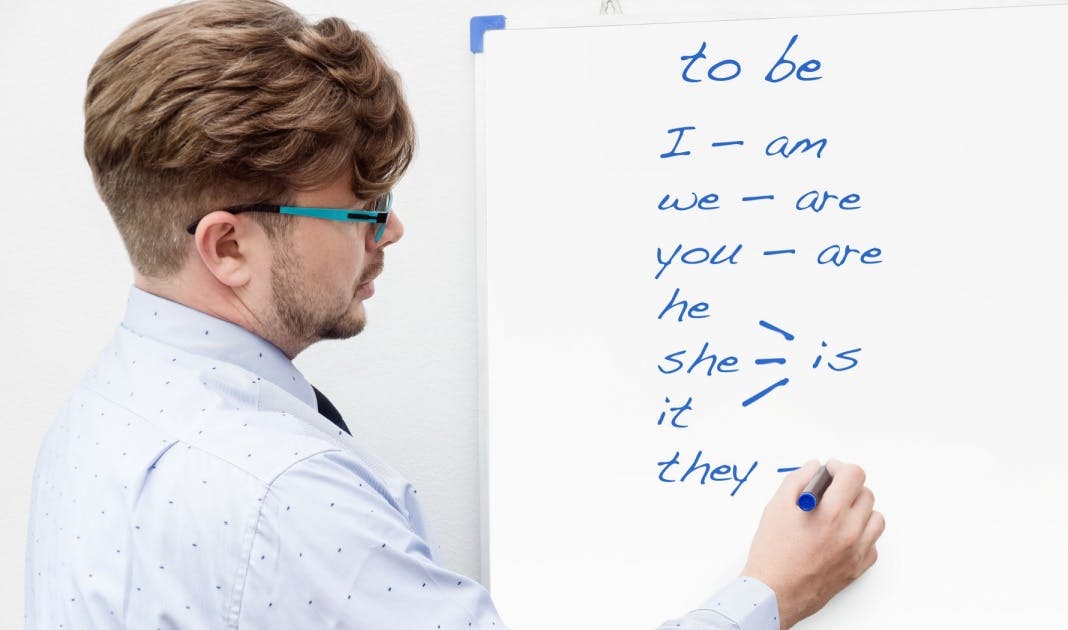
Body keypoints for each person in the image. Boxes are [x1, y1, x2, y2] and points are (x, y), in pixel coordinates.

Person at [23, 1, 884, 628]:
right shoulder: (283, 494)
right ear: (227, 247)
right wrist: (772, 593)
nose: (390, 230)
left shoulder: (98, 416)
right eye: (360, 208)